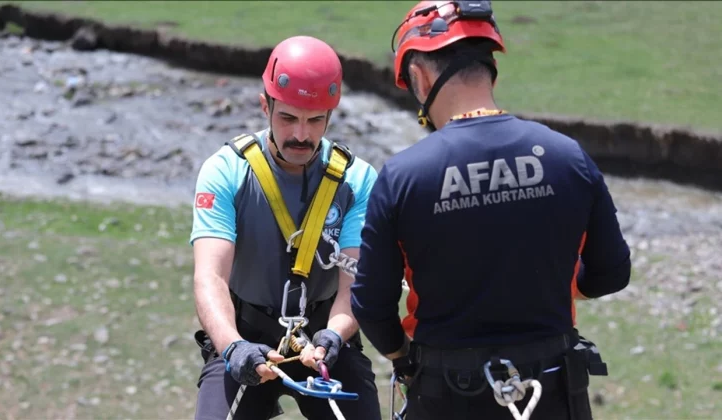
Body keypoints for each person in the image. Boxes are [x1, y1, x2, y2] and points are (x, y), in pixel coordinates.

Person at [350, 1, 632, 419]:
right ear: (490, 64)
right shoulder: (567, 156)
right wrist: (555, 285)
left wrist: (403, 359)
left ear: (419, 77)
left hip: (445, 395)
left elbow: (372, 307)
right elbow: (611, 273)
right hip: (551, 392)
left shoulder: (403, 177)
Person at [190, 35, 381, 420]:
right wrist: (232, 348)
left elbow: (355, 281)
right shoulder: (226, 171)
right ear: (266, 106)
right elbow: (210, 275)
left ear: (331, 114)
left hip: (326, 335)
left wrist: (334, 334)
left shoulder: (356, 180)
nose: (300, 135)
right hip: (244, 334)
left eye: (315, 121)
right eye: (288, 118)